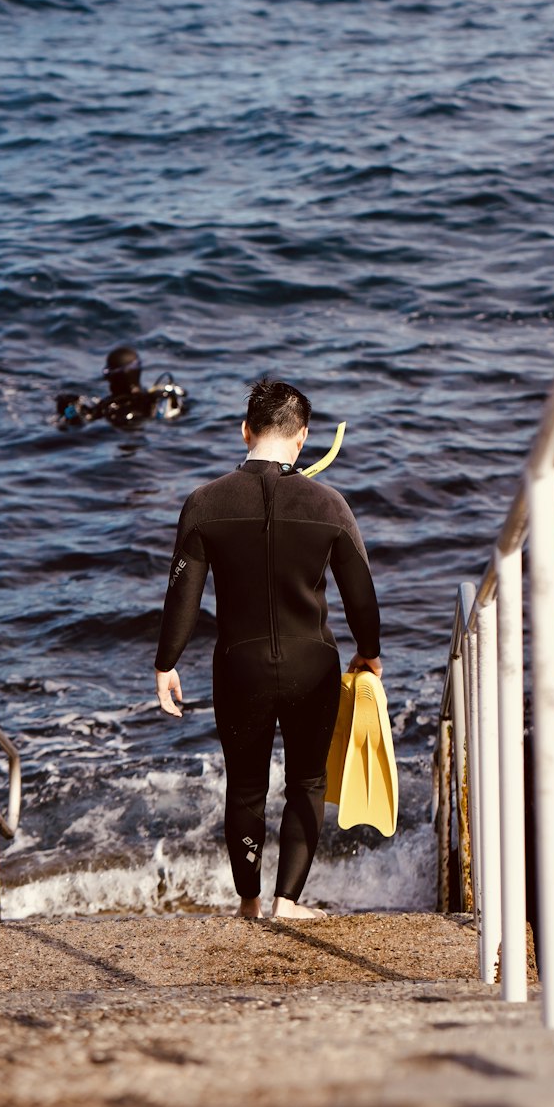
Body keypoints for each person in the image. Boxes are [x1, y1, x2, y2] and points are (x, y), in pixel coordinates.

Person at [154, 377, 382, 920]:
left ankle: (249, 903)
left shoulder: (204, 503)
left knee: (247, 786)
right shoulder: (330, 504)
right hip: (313, 664)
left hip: (240, 667)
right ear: (302, 438)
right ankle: (288, 902)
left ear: (245, 431)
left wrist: (167, 662)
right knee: (307, 780)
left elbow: (182, 591)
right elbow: (362, 596)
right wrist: (369, 654)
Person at [56, 346, 186, 429]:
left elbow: (77, 425)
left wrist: (67, 409)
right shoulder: (157, 398)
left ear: (115, 376)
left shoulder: (110, 409)